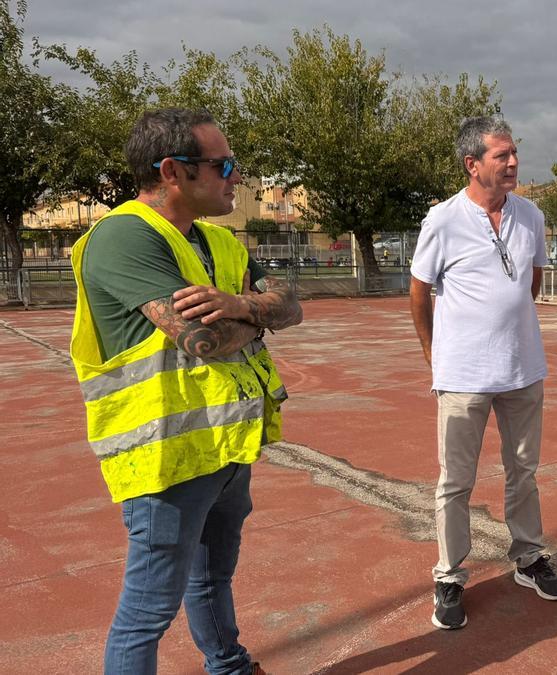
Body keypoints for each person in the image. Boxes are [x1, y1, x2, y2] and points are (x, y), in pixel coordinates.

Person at [69, 108, 303, 674]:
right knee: (148, 611)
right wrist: (256, 314)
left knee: (213, 577)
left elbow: (292, 305)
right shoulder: (124, 237)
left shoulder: (218, 241)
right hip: (165, 461)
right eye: (223, 164)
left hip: (224, 448)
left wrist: (245, 305)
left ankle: (229, 665)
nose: (236, 176)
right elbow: (203, 339)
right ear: (172, 171)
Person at [410, 115, 557, 631]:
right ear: (472, 164)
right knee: (455, 481)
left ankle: (528, 558)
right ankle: (450, 575)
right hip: (462, 376)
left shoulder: (531, 216)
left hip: (523, 369)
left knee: (523, 471)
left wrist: (510, 328)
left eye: (514, 152)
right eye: (501, 155)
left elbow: (532, 281)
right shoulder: (442, 220)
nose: (513, 162)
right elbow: (418, 292)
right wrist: (434, 352)